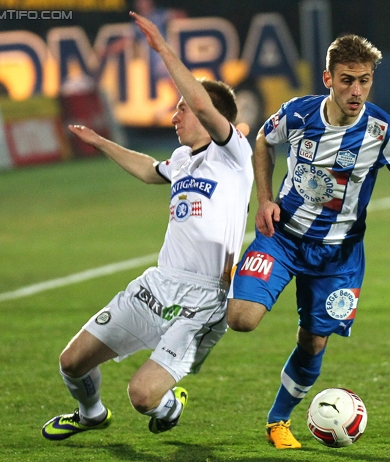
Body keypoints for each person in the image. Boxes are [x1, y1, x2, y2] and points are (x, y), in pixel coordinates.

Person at [41, 11, 253, 441]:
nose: (175, 116)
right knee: (72, 362)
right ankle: (91, 414)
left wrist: (163, 50)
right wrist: (101, 143)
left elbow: (199, 103)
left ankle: (170, 406)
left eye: (181, 109)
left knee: (143, 396)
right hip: (156, 285)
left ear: (209, 114)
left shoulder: (233, 155)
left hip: (204, 298)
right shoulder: (180, 161)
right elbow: (147, 170)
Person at [227, 34, 390, 449]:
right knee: (241, 319)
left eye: (365, 81)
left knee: (313, 339)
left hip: (340, 255)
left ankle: (278, 421)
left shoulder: (383, 130)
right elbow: (262, 140)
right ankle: (221, 289)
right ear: (328, 79)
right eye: (347, 80)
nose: (356, 91)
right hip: (283, 237)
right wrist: (264, 199)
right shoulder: (298, 114)